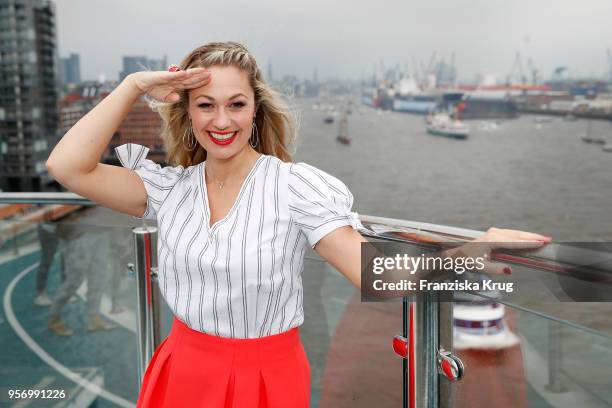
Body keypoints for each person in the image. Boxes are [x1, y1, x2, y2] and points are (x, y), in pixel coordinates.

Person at [45, 42, 551, 407]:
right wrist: (133, 85)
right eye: (206, 105)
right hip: (181, 366)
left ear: (255, 109)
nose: (222, 120)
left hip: (265, 378)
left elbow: (374, 273)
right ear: (189, 114)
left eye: (236, 104)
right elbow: (67, 167)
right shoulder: (170, 187)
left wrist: (477, 251)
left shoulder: (295, 187)